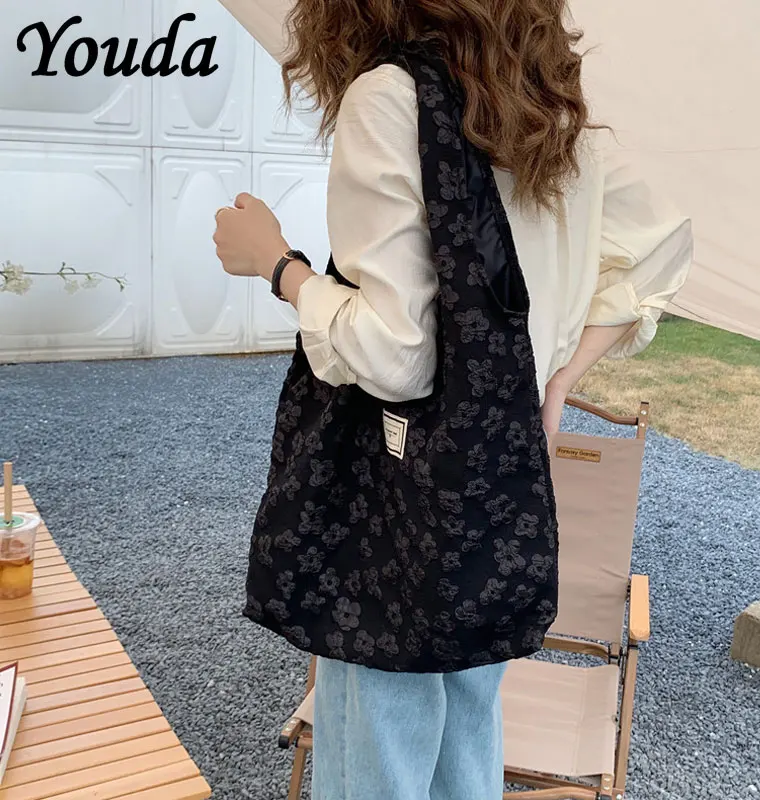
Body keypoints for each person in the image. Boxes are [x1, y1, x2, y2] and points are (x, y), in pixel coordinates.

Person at [213, 1, 693, 798]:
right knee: (468, 721)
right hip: (501, 484)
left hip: (395, 492)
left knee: (381, 736)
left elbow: (395, 355)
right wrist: (557, 379)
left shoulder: (389, 97)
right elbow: (662, 243)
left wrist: (279, 266)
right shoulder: (544, 113)